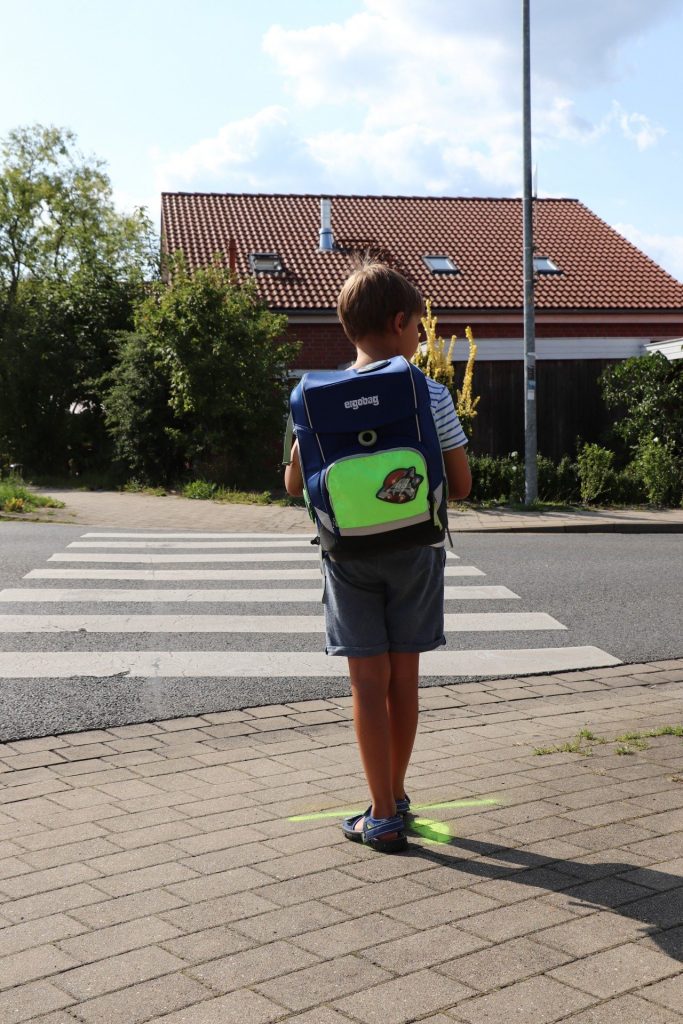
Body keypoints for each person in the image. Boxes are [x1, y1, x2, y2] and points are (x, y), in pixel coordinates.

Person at [284, 261, 471, 852]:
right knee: (404, 682)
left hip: (347, 557)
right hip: (414, 551)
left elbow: (295, 484)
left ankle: (382, 814)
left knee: (367, 685)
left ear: (348, 330)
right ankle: (395, 796)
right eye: (418, 326)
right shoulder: (430, 392)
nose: (420, 336)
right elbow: (461, 485)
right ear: (399, 323)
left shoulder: (320, 398)